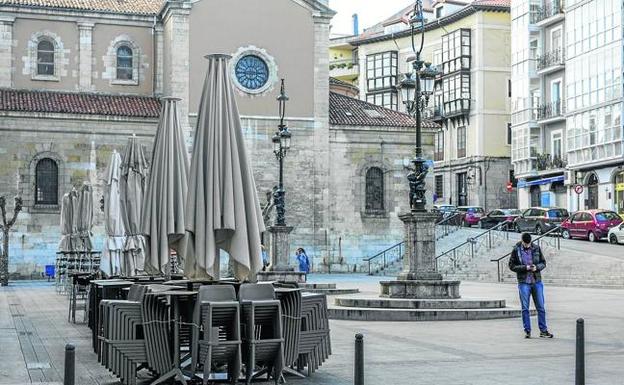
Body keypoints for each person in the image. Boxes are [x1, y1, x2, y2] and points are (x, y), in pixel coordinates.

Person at [509, 232, 554, 339]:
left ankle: (543, 330)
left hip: (536, 281)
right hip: (524, 282)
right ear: (522, 241)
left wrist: (536, 267)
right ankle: (527, 331)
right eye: (525, 244)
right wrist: (525, 268)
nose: (527, 246)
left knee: (541, 307)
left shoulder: (536, 248)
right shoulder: (516, 249)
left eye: (529, 244)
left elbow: (543, 262)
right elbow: (511, 265)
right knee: (525, 308)